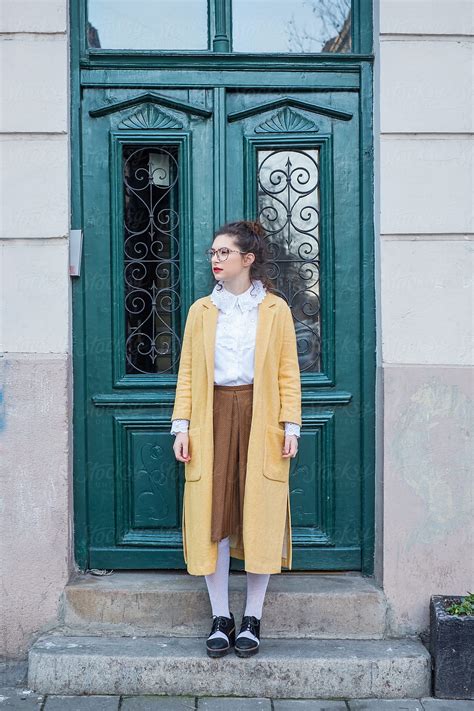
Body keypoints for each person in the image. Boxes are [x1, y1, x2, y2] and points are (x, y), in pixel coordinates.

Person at [171, 219, 301, 658]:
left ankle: (253, 618)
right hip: (212, 417)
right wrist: (182, 426)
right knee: (215, 514)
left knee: (258, 514)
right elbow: (188, 372)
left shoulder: (276, 311)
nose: (216, 260)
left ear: (248, 259)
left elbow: (287, 372)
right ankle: (221, 615)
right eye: (212, 253)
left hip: (261, 416)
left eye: (224, 252)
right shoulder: (201, 312)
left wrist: (291, 425)